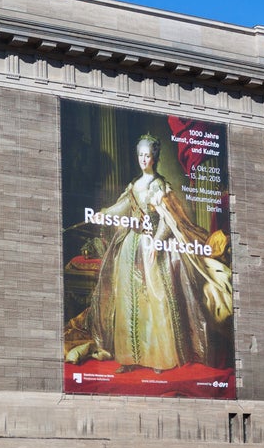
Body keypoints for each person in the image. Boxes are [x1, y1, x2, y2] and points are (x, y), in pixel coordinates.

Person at [65, 133, 232, 374]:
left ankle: (158, 358)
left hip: (150, 246)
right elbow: (121, 207)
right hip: (130, 246)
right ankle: (130, 357)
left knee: (154, 299)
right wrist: (103, 213)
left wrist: (157, 242)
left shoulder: (158, 185)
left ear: (155, 157)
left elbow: (166, 220)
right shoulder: (134, 185)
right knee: (128, 299)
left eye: (148, 155)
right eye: (141, 155)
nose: (144, 159)